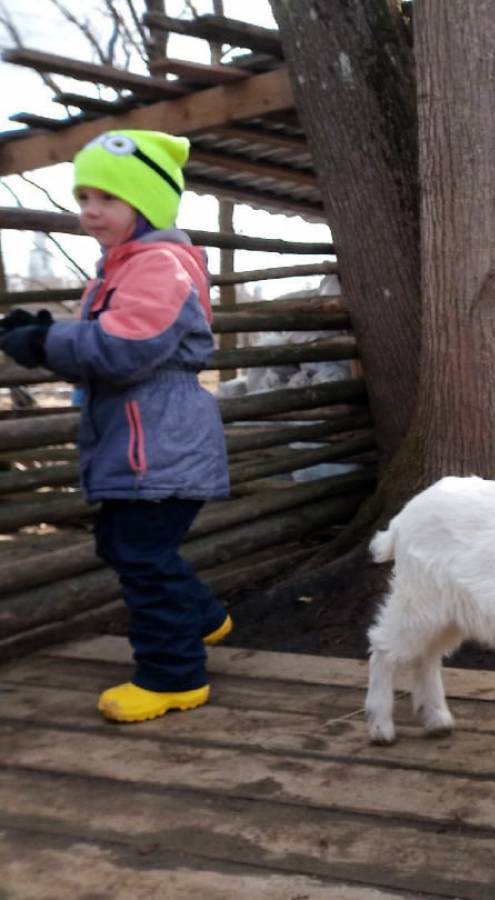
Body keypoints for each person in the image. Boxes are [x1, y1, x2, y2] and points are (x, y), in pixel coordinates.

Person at [0, 130, 232, 723]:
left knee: (141, 554)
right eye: (83, 197)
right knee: (129, 546)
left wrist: (45, 341)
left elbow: (128, 346)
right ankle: (204, 619)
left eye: (107, 197)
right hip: (144, 439)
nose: (90, 211)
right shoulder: (125, 264)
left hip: (158, 441)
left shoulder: (158, 263)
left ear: (148, 202)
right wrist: (48, 333)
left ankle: (173, 676)